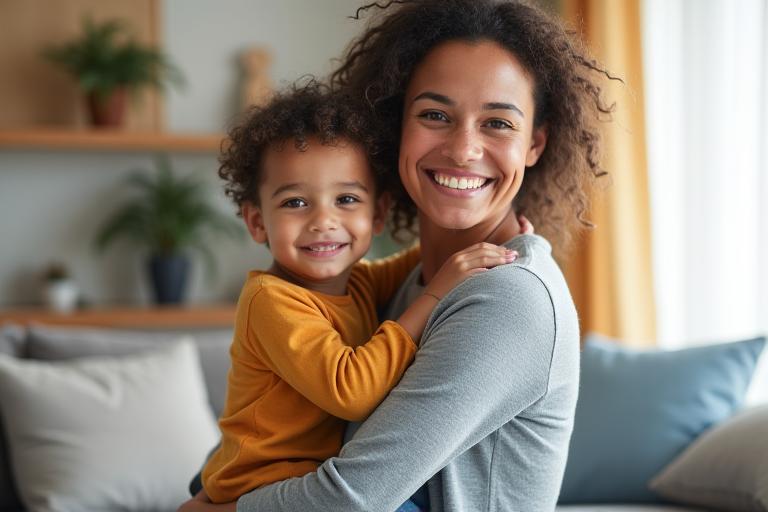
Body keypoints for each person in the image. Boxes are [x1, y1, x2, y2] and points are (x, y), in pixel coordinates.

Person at [178, 0, 611, 510]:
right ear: (394, 127)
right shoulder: (420, 279)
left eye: (497, 123)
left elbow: (353, 498)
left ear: (534, 144)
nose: (462, 149)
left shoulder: (509, 296)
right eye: (434, 114)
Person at [195, 84, 520, 507]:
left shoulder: (357, 282)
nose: (323, 221)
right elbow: (352, 392)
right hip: (264, 489)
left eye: (346, 199)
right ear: (257, 222)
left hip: (311, 483)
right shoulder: (270, 300)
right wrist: (436, 294)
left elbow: (416, 263)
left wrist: (498, 235)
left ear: (378, 214)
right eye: (295, 202)